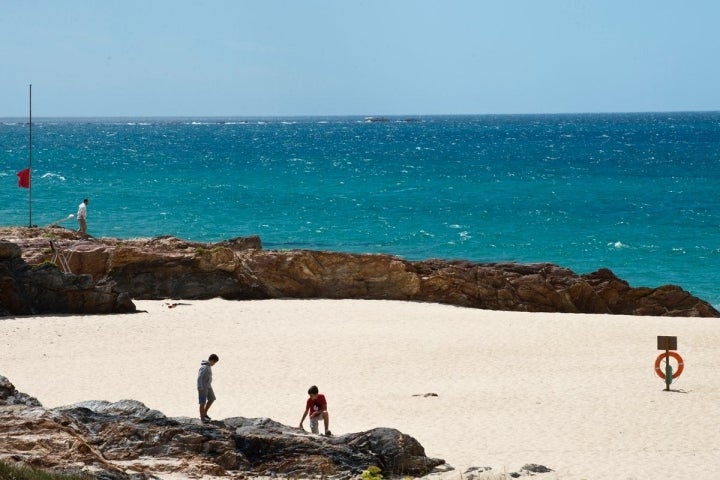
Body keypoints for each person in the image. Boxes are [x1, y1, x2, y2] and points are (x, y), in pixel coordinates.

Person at [197, 353, 219, 423]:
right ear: (212, 360)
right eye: (214, 362)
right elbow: (199, 377)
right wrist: (200, 386)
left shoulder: (208, 366)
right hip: (203, 387)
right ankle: (202, 418)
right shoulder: (204, 367)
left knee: (212, 398)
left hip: (208, 386)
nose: (214, 364)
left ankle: (204, 413)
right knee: (202, 402)